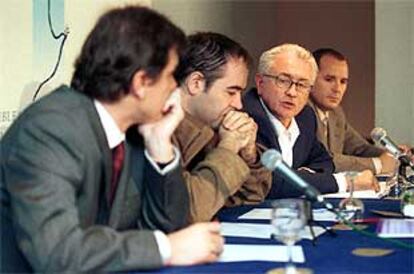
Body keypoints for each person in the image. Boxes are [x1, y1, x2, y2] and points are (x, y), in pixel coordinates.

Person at [0, 6, 223, 273]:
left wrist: (160, 147)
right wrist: (165, 248)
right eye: (171, 77)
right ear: (141, 83)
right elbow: (58, 253)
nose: (175, 89)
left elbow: (170, 229)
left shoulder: (133, 130)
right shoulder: (50, 129)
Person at [243, 44, 378, 199]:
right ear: (260, 83)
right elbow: (272, 182)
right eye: (283, 80)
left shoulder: (305, 117)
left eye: (301, 85)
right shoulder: (248, 117)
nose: (292, 92)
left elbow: (325, 161)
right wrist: (346, 181)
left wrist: (303, 175)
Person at [173, 32, 272, 222]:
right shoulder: (156, 129)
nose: (239, 104)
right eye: (231, 92)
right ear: (196, 83)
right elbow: (187, 211)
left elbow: (247, 200)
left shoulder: (209, 128)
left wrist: (248, 155)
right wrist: (228, 148)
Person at [309, 48, 397, 176]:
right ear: (310, 79)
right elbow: (322, 159)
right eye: (329, 79)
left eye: (343, 82)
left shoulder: (336, 113)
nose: (337, 89)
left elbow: (360, 148)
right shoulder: (303, 110)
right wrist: (378, 164)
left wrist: (393, 155)